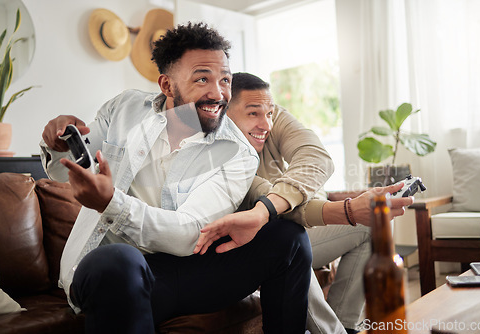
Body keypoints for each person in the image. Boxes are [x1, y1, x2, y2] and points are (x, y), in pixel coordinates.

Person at [40, 23, 312, 334]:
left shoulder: (239, 153)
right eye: (202, 79)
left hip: (184, 272)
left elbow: (191, 233)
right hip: (113, 272)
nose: (218, 93)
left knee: (289, 238)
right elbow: (65, 169)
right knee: (120, 259)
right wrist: (55, 142)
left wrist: (111, 203)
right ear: (167, 85)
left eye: (225, 80)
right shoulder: (125, 108)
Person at [195, 72, 414, 334]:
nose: (266, 124)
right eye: (253, 113)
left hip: (297, 223)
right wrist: (347, 210)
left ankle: (346, 326)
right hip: (260, 242)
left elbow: (317, 157)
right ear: (225, 116)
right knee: (290, 239)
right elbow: (268, 200)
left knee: (373, 224)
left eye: (269, 113)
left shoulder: (266, 112)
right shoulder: (217, 152)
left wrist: (351, 208)